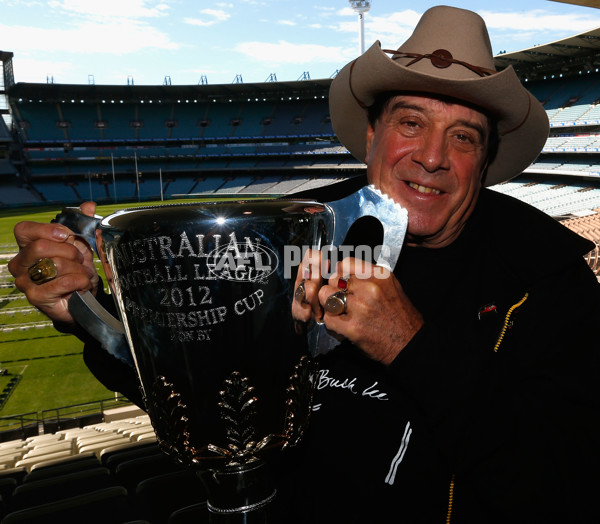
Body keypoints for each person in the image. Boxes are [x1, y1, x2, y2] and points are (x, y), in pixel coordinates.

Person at [8, 6, 600, 523]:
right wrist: (84, 312)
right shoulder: (299, 232)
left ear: (486, 161)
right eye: (411, 122)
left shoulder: (548, 281)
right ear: (372, 135)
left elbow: (563, 487)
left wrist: (409, 343)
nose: (432, 156)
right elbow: (208, 382)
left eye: (464, 136)